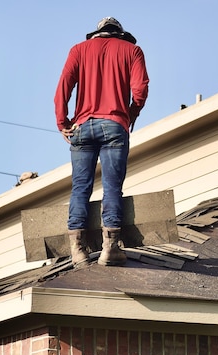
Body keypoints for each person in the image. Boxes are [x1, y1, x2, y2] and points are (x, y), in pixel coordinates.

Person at [54, 17, 149, 266]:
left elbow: (63, 86)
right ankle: (110, 247)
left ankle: (77, 250)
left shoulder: (78, 50)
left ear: (97, 33)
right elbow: (140, 90)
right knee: (112, 187)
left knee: (80, 188)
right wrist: (129, 115)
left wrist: (62, 122)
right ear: (120, 34)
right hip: (115, 124)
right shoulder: (132, 50)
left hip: (82, 127)